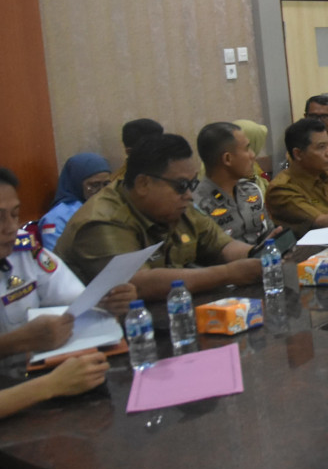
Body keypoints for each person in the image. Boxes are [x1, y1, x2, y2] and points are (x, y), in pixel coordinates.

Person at [54, 134, 261, 299]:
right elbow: (138, 283)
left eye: (192, 184)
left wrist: (260, 255)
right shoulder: (102, 220)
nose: (189, 195)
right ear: (144, 184)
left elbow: (222, 246)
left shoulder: (177, 205)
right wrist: (227, 274)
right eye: (181, 185)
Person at [1, 168, 135, 361]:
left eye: (14, 215)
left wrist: (107, 300)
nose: (11, 228)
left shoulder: (23, 250)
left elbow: (73, 299)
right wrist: (17, 341)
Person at [192, 122, 271, 245]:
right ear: (227, 159)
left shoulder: (252, 190)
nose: (253, 155)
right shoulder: (197, 206)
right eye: (246, 148)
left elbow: (268, 232)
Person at [37, 153, 111, 251]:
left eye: (106, 184)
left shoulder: (110, 207)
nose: (102, 191)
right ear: (77, 183)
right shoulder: (56, 218)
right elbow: (55, 259)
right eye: (94, 185)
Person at [112, 118, 163, 183]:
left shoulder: (169, 170)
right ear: (130, 152)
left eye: (160, 147)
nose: (160, 153)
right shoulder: (119, 184)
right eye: (151, 149)